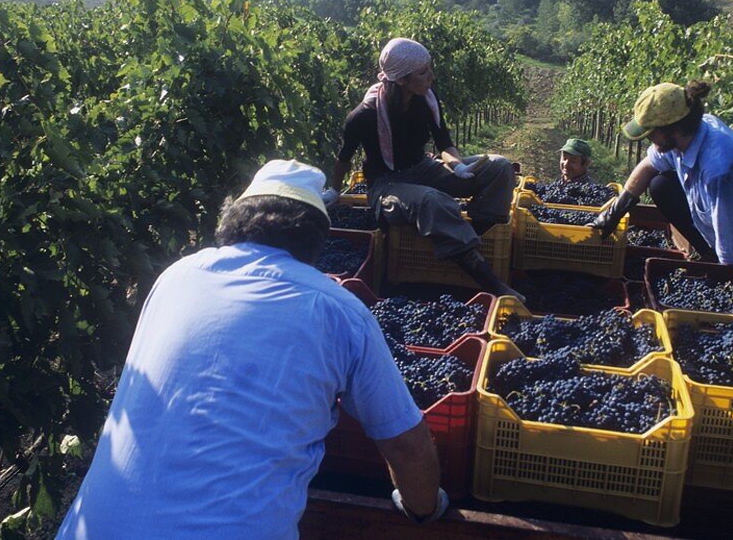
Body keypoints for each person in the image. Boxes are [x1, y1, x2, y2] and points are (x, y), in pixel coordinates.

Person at [56, 160, 447, 540]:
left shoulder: (174, 277)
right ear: (315, 242)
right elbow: (408, 446)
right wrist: (423, 508)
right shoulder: (339, 310)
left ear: (231, 224)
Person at [330, 37, 523, 299]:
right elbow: (343, 157)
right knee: (432, 201)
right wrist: (333, 191)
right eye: (423, 72)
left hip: (423, 168)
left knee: (499, 167)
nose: (431, 76)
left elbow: (444, 142)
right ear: (401, 80)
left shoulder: (427, 99)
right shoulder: (364, 115)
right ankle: (491, 283)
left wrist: (456, 167)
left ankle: (467, 243)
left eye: (429, 68)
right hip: (388, 183)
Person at [589, 81, 733, 311]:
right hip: (729, 216)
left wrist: (724, 287)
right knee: (660, 185)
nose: (650, 140)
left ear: (674, 128)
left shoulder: (721, 170)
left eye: (652, 134)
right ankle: (710, 255)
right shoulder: (690, 134)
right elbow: (649, 165)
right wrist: (616, 210)